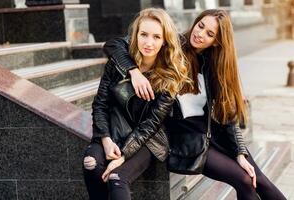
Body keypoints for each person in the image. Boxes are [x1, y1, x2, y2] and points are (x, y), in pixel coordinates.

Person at [103, 9, 286, 200]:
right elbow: (114, 44)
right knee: (245, 179)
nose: (200, 34)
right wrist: (134, 72)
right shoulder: (172, 44)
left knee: (258, 180)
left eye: (209, 34)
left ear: (217, 41)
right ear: (195, 22)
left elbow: (227, 115)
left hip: (213, 132)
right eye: (200, 26)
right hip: (187, 137)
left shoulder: (215, 63)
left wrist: (239, 152)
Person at [82, 8, 190, 200]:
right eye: (144, 34)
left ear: (165, 40)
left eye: (157, 37)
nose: (149, 43)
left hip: (148, 139)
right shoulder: (119, 63)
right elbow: (100, 105)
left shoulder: (170, 77)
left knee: (116, 177)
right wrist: (106, 140)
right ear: (135, 35)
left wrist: (123, 156)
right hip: (115, 129)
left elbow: (150, 125)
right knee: (91, 163)